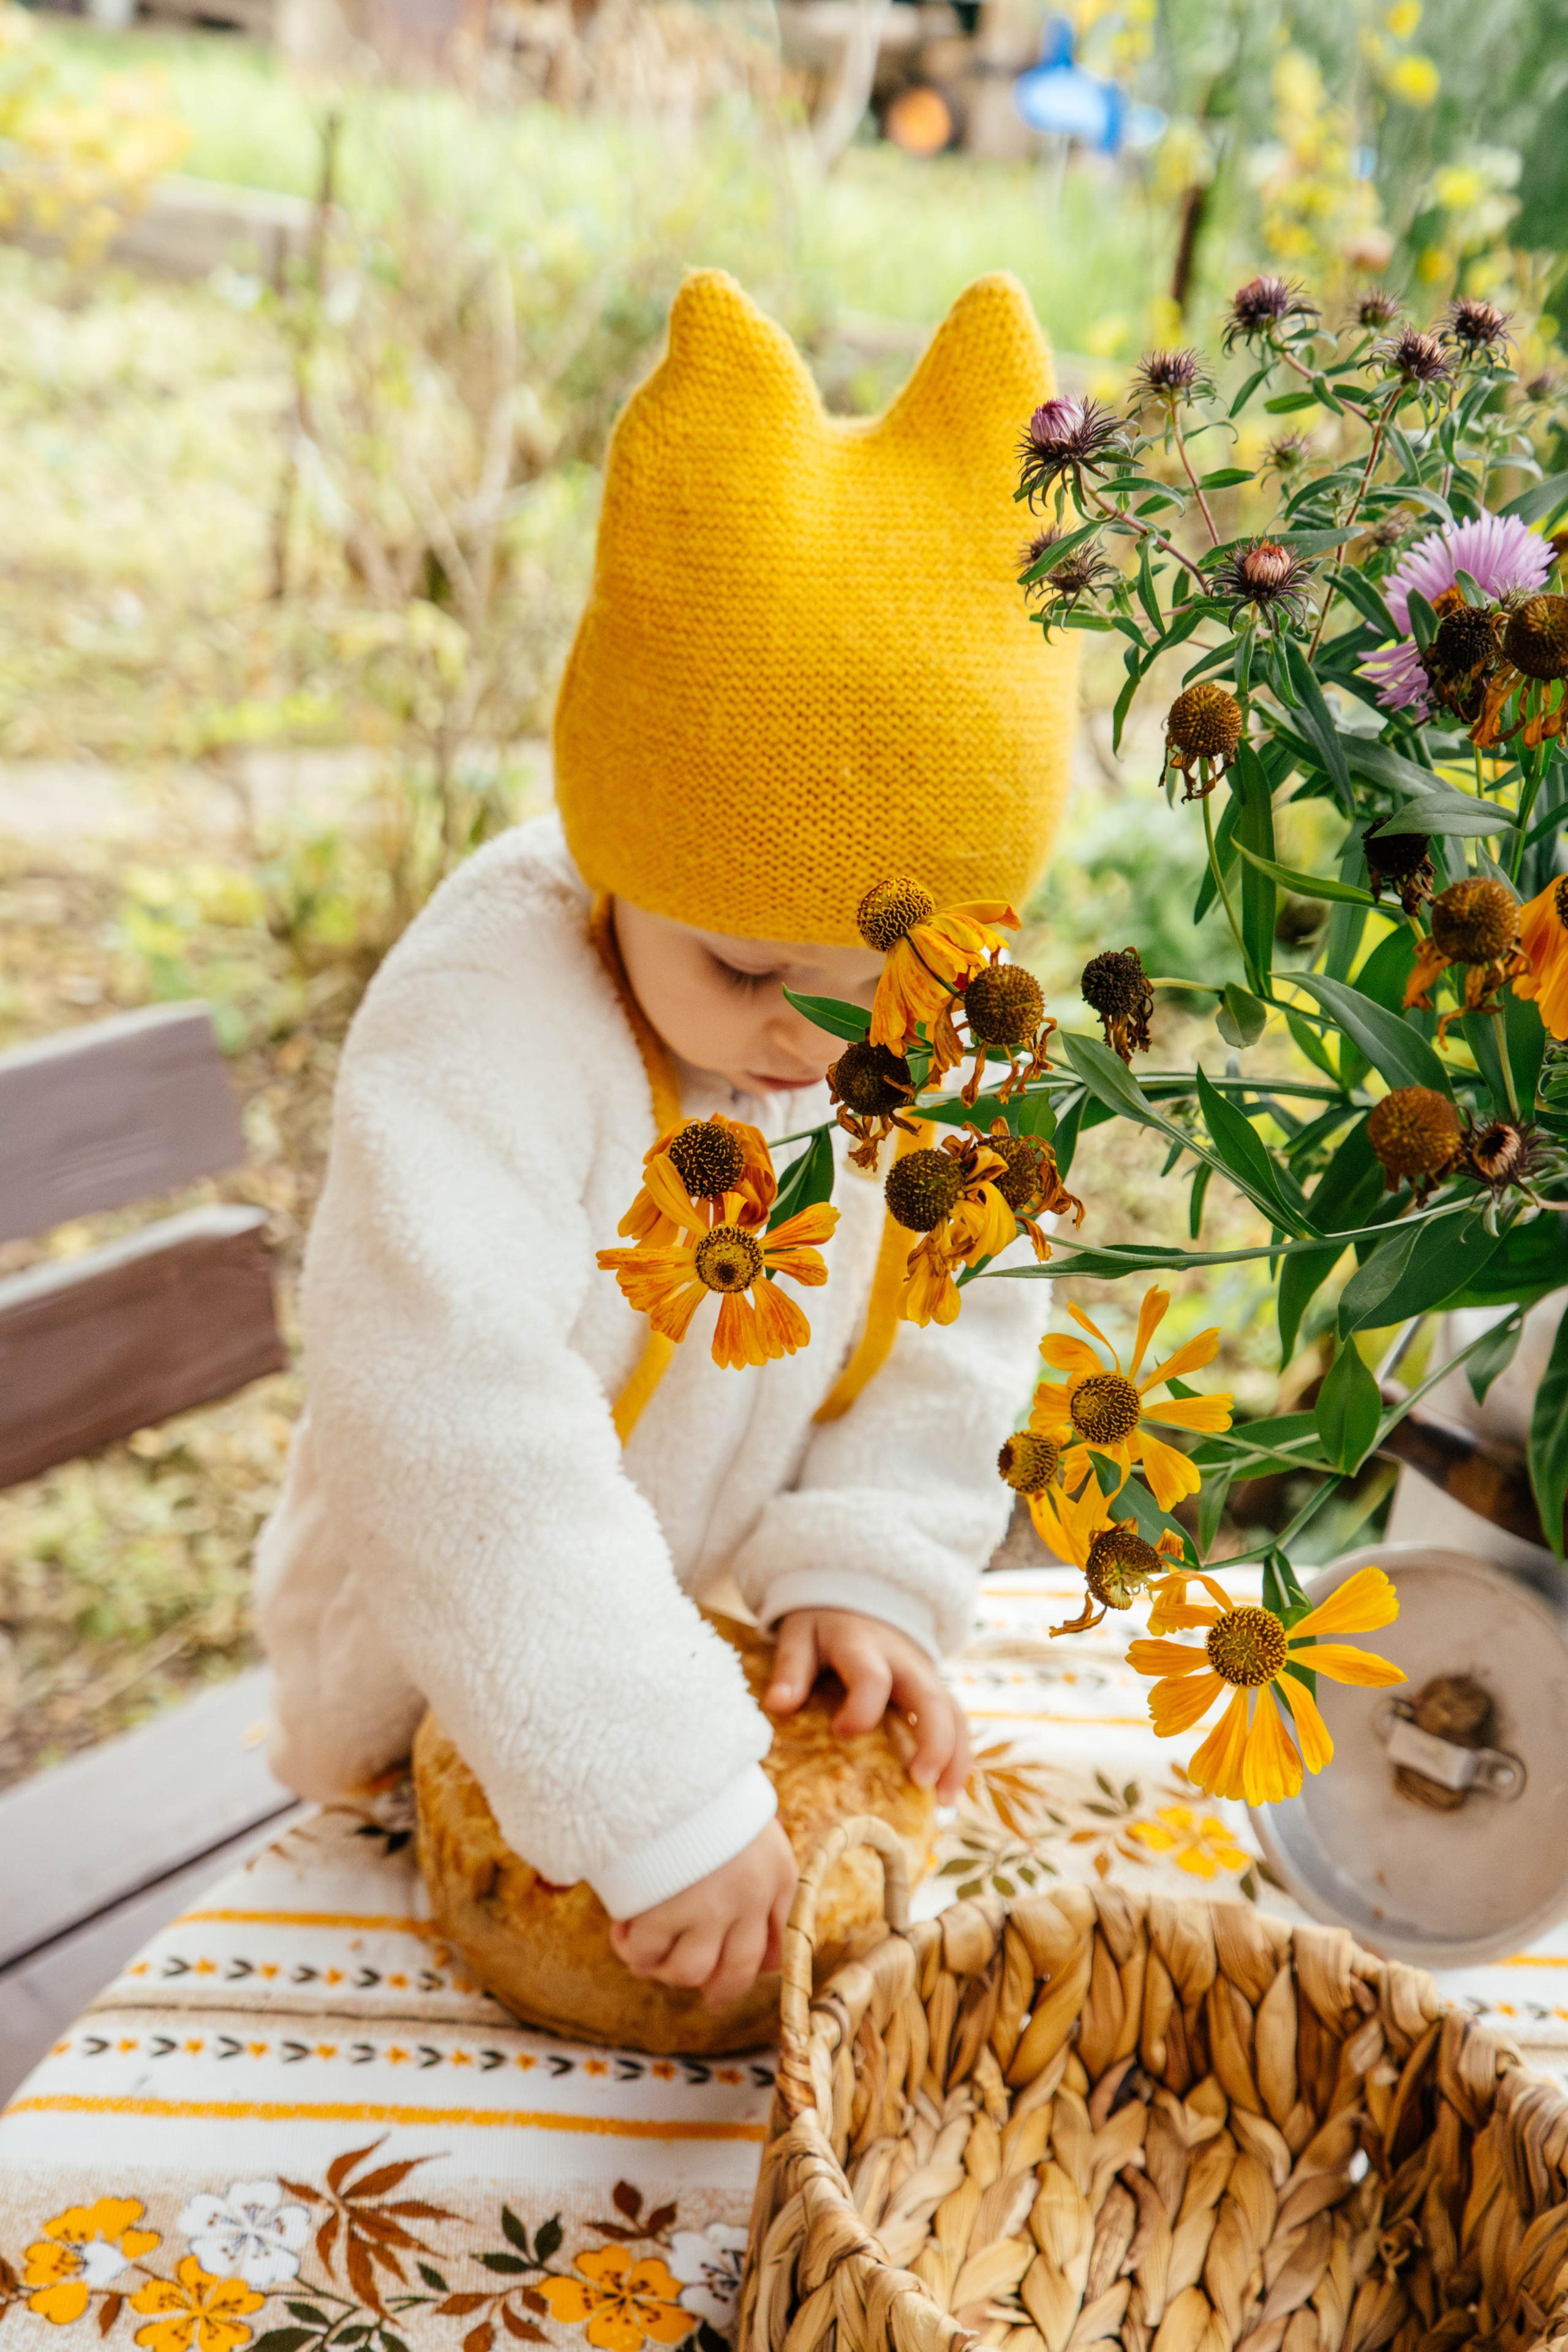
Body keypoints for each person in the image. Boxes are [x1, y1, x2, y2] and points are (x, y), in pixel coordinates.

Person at [255, 267, 1078, 2015]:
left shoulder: (939, 1022)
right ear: (616, 852)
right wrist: (655, 1788)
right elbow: (447, 1417)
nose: (818, 1037)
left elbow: (957, 1325)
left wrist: (864, 1564)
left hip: (721, 1643)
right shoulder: (492, 1016)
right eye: (748, 970)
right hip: (449, 1669)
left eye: (887, 989)